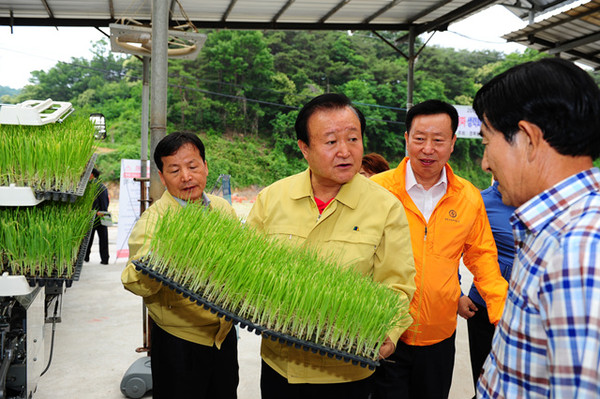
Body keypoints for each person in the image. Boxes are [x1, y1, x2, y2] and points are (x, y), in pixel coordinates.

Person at [246, 93, 416, 398]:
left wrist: (388, 334)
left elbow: (398, 285)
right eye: (330, 142)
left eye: (353, 138)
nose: (345, 151)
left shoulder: (385, 207)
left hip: (348, 371)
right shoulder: (272, 199)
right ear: (304, 149)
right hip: (280, 366)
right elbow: (244, 271)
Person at [473, 58, 600, 398]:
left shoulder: (579, 250)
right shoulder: (554, 229)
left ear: (528, 138)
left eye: (486, 142)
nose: (485, 163)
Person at [370, 99, 508, 399]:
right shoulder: (376, 191)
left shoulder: (468, 197)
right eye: (419, 139)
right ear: (406, 139)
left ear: (453, 143)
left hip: (439, 336)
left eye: (438, 140)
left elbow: (482, 257)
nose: (428, 149)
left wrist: (503, 316)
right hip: (382, 332)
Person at [121, 132, 239, 399]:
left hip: (223, 336)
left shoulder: (222, 209)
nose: (186, 177)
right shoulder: (153, 221)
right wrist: (163, 260)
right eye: (174, 170)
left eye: (193, 166)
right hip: (179, 339)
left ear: (206, 167)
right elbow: (131, 279)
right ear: (162, 178)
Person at [457, 179, 516, 393]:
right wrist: (458, 293)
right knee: (483, 383)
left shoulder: (543, 202)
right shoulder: (481, 203)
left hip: (527, 311)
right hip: (483, 309)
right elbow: (449, 251)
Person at [85, 167, 110, 264]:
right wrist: (103, 211)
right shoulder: (102, 186)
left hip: (94, 214)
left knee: (88, 238)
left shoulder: (92, 186)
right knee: (103, 238)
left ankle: (86, 257)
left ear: (92, 174)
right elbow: (105, 201)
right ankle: (105, 259)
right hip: (102, 214)